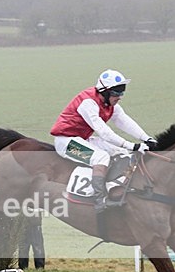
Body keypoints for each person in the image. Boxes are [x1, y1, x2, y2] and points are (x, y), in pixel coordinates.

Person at [51, 69, 156, 212]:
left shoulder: (108, 104)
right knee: (101, 157)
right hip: (65, 143)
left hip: (83, 139)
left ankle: (113, 188)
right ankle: (99, 200)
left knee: (121, 152)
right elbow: (104, 132)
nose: (120, 97)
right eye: (117, 93)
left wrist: (146, 138)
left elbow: (124, 121)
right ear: (105, 92)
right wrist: (132, 145)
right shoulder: (88, 103)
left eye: (122, 92)